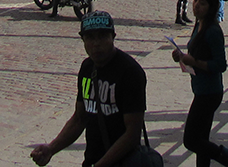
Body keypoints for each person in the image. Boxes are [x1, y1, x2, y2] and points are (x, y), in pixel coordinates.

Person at [30, 11, 147, 167]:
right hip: (92, 159)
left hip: (124, 162)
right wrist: (51, 148)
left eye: (102, 36)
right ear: (83, 40)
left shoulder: (130, 72)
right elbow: (80, 118)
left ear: (113, 37)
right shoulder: (87, 68)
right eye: (90, 37)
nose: (96, 43)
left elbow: (132, 133)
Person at [172, 0, 228, 167]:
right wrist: (181, 57)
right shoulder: (199, 24)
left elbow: (220, 65)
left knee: (190, 139)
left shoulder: (213, 31)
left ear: (211, 7)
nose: (196, 5)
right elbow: (195, 54)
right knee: (201, 138)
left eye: (202, 3)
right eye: (196, 0)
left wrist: (195, 62)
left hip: (209, 92)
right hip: (200, 88)